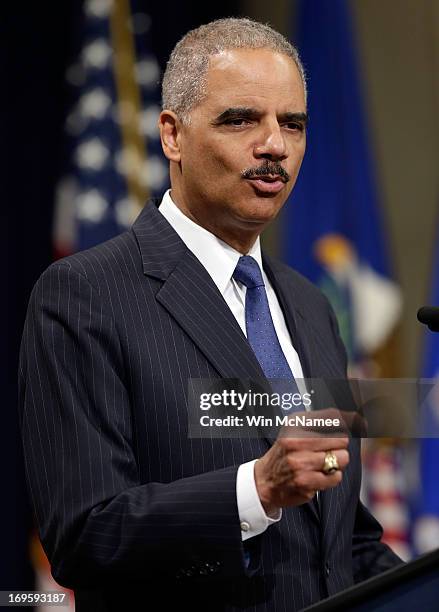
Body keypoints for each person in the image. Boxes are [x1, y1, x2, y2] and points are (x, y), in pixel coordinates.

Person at [18, 17, 402, 612]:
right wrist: (256, 489)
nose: (275, 144)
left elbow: (337, 537)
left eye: (292, 124)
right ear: (171, 134)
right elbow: (84, 535)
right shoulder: (84, 294)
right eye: (241, 119)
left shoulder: (311, 305)